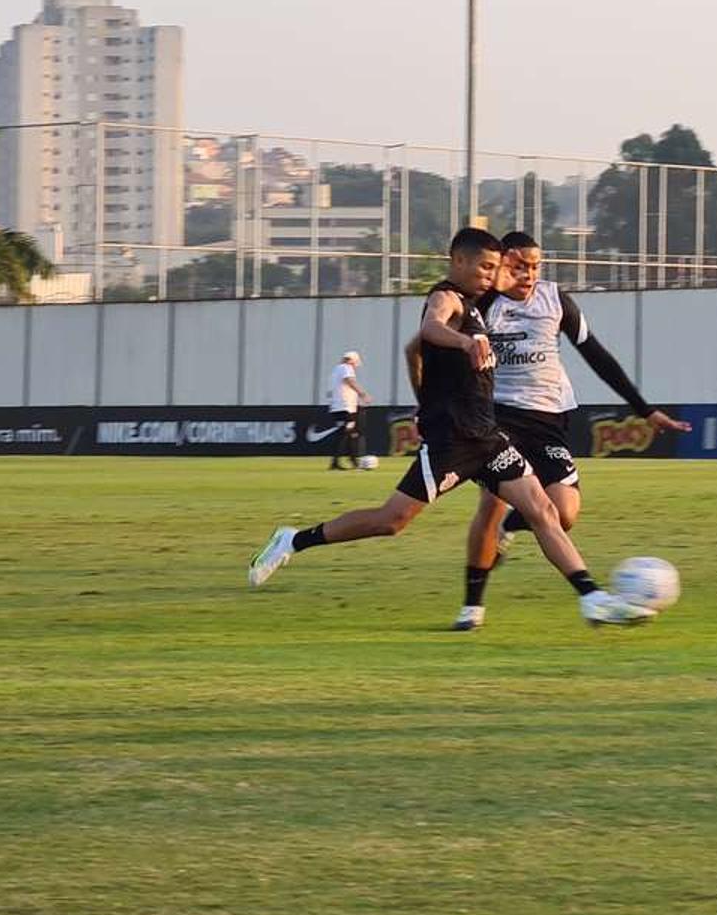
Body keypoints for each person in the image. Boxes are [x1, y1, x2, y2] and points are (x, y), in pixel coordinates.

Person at [247, 227, 650, 627]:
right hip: (452, 441)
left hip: (488, 438)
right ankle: (293, 539)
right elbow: (428, 330)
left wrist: (521, 274)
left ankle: (592, 598)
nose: (491, 275)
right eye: (485, 267)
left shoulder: (479, 300)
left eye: (496, 268)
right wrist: (462, 346)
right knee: (391, 521)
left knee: (544, 511)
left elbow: (413, 351)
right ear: (458, 261)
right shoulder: (447, 298)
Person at [420, 231, 690, 631]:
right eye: (518, 266)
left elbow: (597, 356)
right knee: (489, 506)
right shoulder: (481, 303)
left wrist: (644, 409)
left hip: (549, 419)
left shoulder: (554, 299)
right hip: (497, 416)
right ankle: (472, 606)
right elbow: (435, 345)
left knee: (563, 513)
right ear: (499, 265)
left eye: (535, 266)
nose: (528, 274)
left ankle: (514, 527)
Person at [316, 349, 371, 469]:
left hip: (338, 408)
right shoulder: (346, 367)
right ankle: (339, 461)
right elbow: (349, 381)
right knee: (346, 433)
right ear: (352, 361)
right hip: (345, 408)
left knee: (350, 433)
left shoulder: (335, 371)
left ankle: (350, 460)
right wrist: (362, 393)